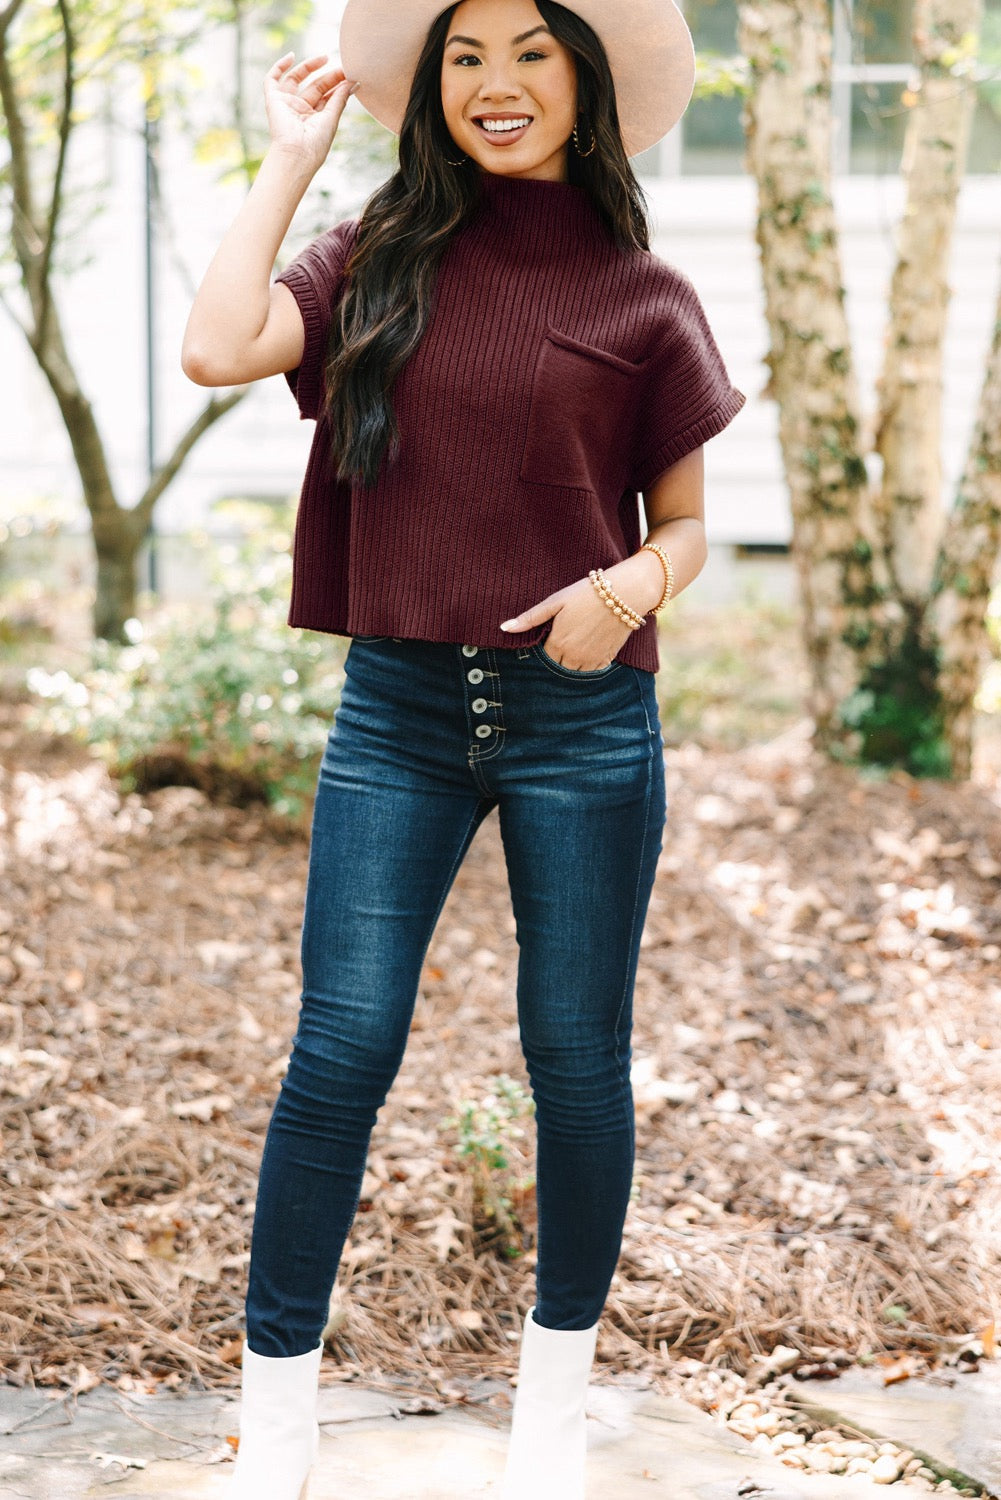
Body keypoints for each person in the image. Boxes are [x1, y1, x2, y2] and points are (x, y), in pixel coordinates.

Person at [182, 1, 744, 1496]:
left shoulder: (645, 297)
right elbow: (213, 345)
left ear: (585, 80)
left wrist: (624, 586)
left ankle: (551, 1415)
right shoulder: (378, 256)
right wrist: (293, 159)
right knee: (340, 1051)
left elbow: (686, 530)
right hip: (399, 716)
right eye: (467, 58)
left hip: (582, 723)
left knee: (573, 1062)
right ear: (431, 88)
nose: (495, 84)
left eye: (530, 53)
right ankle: (279, 1421)